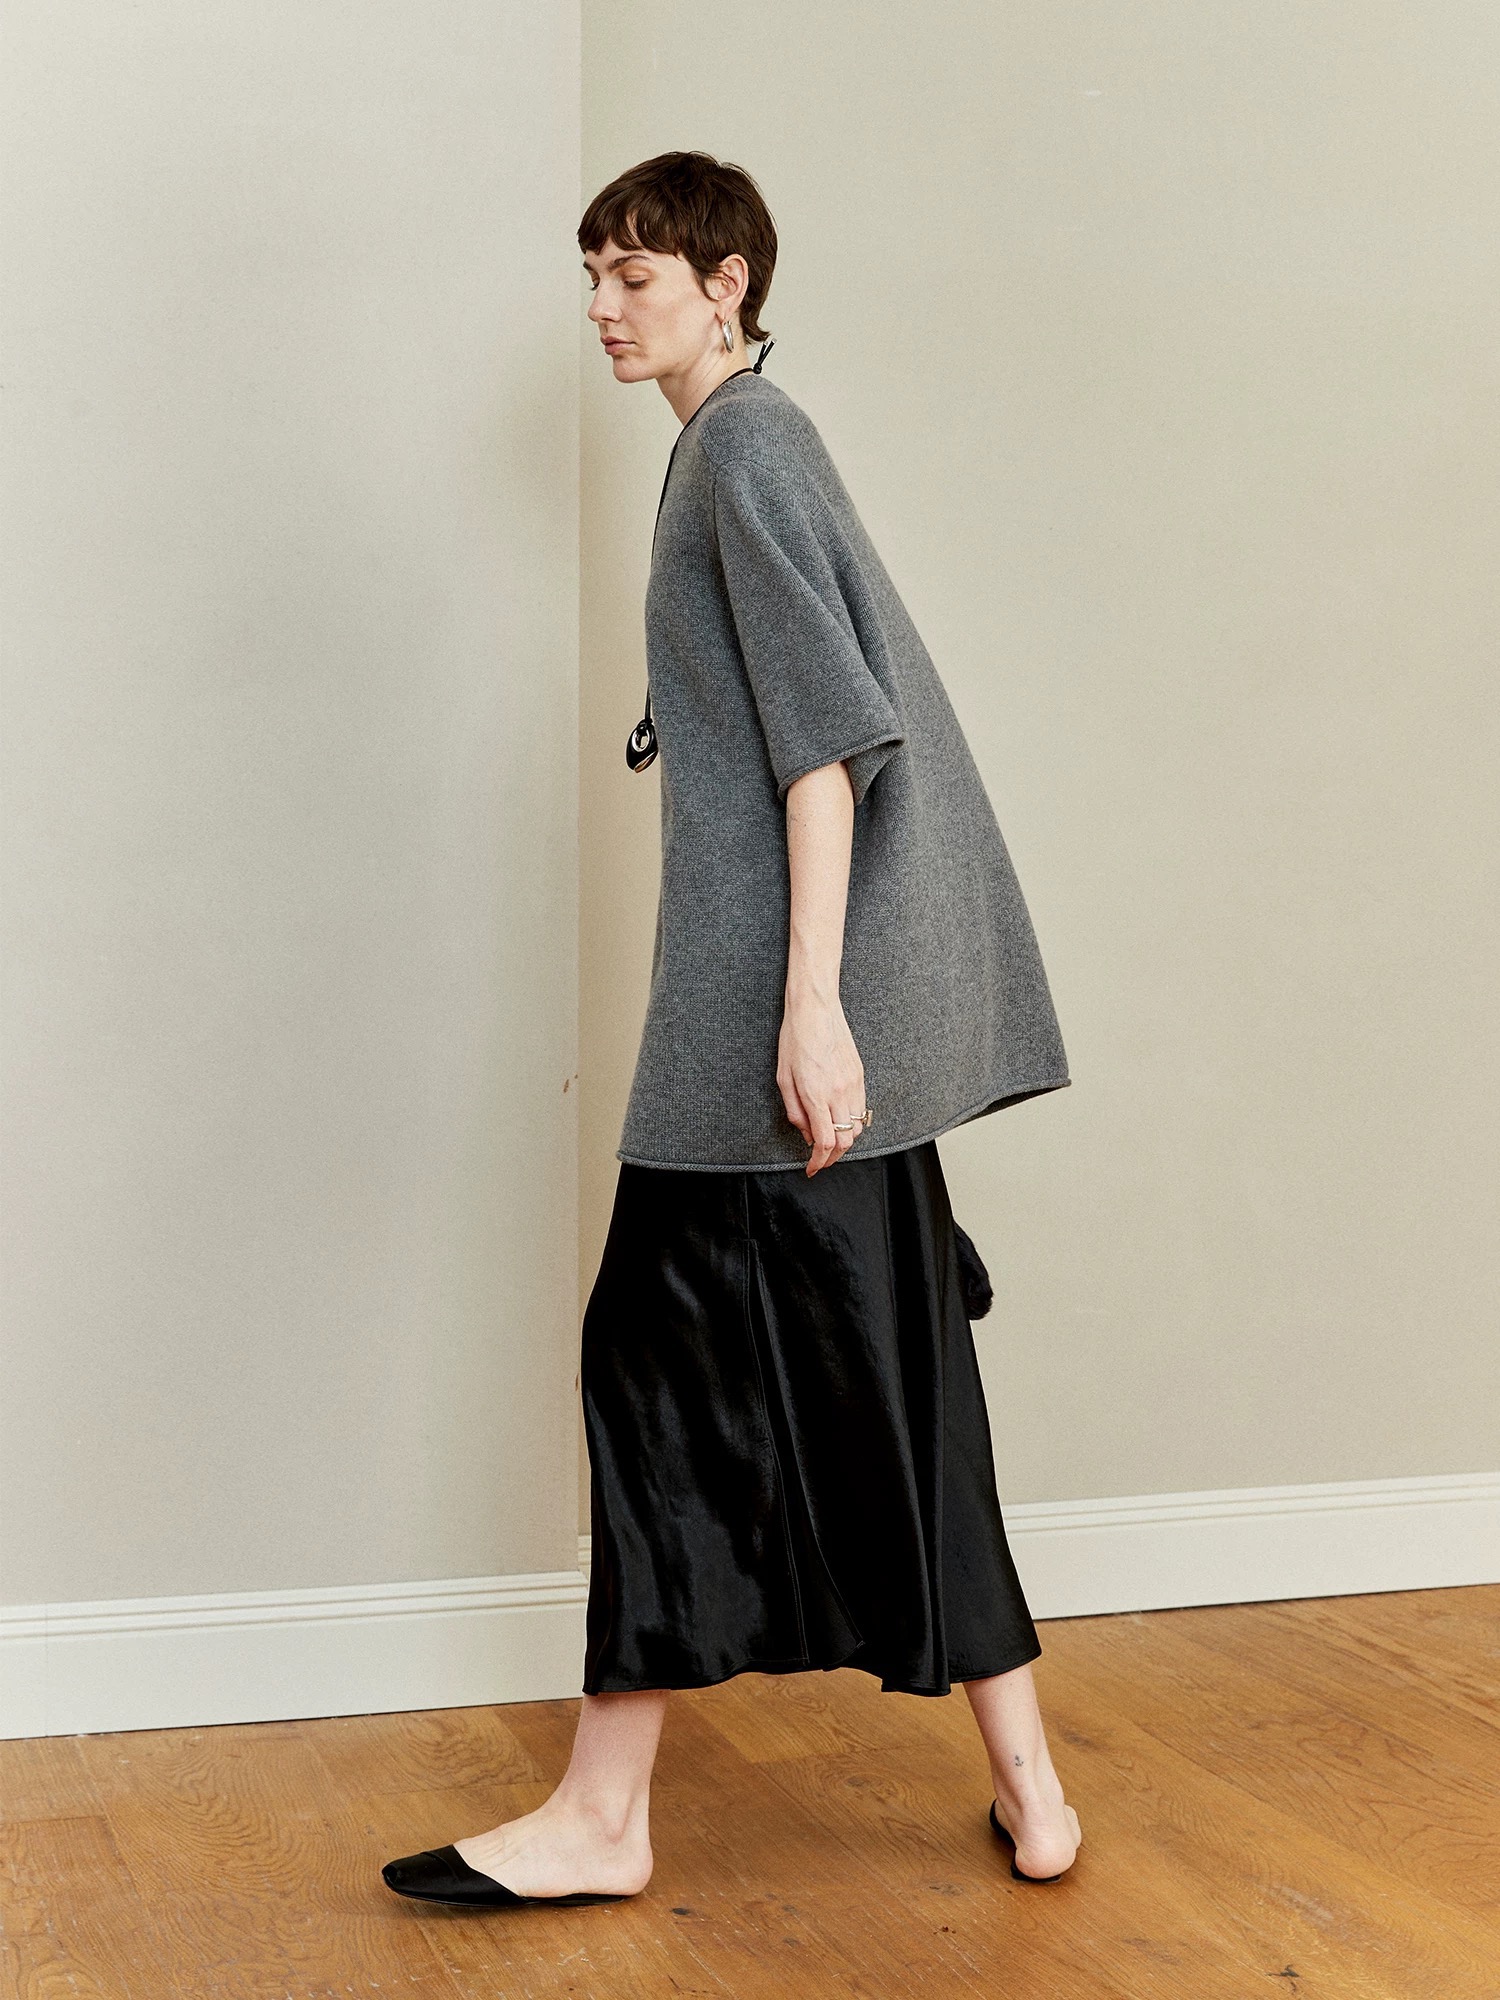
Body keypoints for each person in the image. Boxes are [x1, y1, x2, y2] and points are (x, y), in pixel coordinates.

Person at [382, 150, 1082, 1914]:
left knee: (654, 1376)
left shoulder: (745, 446)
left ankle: (605, 1818)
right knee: (902, 1388)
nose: (603, 306)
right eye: (594, 274)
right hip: (783, 1024)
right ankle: (1036, 1797)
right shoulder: (736, 446)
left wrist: (813, 1011)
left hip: (762, 1036)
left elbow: (827, 747)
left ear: (728, 284)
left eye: (637, 274)